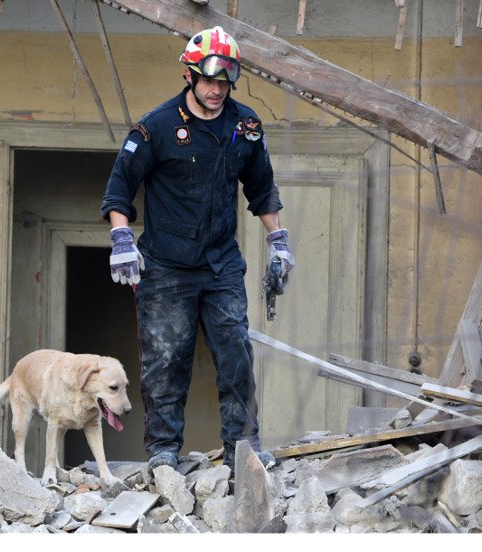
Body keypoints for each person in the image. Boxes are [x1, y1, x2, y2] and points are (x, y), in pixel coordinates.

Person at [100, 26, 294, 473]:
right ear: (190, 76)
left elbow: (261, 190)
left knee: (236, 355)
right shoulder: (156, 128)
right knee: (166, 359)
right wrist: (122, 239)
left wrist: (278, 242)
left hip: (221, 264)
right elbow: (118, 191)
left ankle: (243, 449)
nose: (215, 90)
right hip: (166, 267)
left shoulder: (244, 126)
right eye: (207, 80)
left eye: (224, 82)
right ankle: (164, 451)